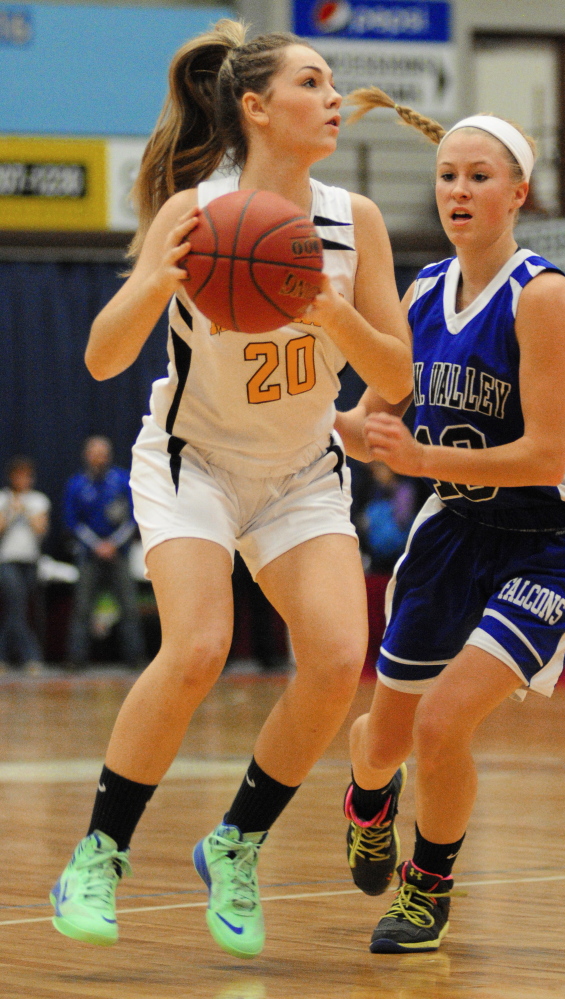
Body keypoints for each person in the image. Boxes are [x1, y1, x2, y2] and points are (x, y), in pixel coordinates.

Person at [49, 22, 411, 957]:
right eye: (313, 80)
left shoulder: (353, 219)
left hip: (298, 473)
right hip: (192, 461)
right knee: (201, 644)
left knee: (337, 660)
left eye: (334, 82)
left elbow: (397, 374)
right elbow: (101, 356)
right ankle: (97, 853)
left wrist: (326, 305)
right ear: (256, 108)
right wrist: (157, 280)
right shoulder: (193, 212)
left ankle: (236, 843)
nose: (334, 96)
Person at [336, 88, 565, 953]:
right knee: (381, 737)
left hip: (554, 538)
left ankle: (427, 890)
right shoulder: (419, 293)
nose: (457, 191)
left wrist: (421, 460)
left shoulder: (542, 299)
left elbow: (542, 454)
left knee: (441, 721)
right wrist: (310, 405)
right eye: (446, 176)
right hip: (455, 530)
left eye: (477, 177)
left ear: (515, 194)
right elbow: (365, 416)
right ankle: (366, 799)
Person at [63, 436, 145, 668]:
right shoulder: (77, 484)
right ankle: (76, 659)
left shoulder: (121, 480)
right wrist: (96, 545)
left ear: (108, 455)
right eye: (94, 453)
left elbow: (133, 517)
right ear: (86, 455)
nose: (99, 458)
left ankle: (135, 657)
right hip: (89, 556)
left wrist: (113, 544)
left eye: (102, 453)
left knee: (129, 606)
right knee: (82, 608)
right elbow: (72, 523)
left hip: (119, 553)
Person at [0, 456, 50, 673]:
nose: (24, 480)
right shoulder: (3, 498)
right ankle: (32, 657)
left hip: (30, 561)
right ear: (12, 477)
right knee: (17, 605)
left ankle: (3, 657)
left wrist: (25, 510)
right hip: (7, 560)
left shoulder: (38, 500)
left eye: (27, 475)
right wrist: (11, 511)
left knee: (16, 611)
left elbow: (40, 529)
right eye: (19, 475)